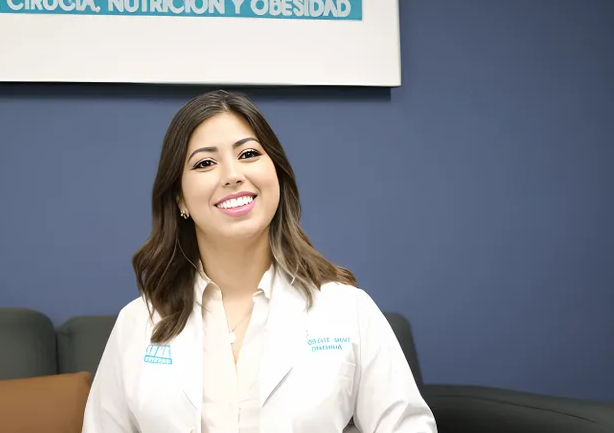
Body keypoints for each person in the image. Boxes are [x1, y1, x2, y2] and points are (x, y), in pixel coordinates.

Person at [81, 90, 437, 433]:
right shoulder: (137, 324)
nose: (233, 175)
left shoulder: (347, 309)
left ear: (277, 175)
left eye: (249, 154)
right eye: (205, 163)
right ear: (180, 200)